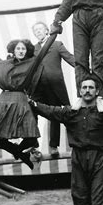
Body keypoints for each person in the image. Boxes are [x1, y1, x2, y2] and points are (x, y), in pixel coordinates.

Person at [0, 29, 59, 169]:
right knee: (0, 141)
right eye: (18, 48)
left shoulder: (31, 63)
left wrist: (54, 34)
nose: (20, 51)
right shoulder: (3, 64)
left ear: (27, 51)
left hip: (20, 99)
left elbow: (44, 50)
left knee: (31, 138)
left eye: (23, 49)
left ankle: (20, 152)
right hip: (4, 100)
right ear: (13, 51)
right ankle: (20, 153)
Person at [31, 21, 75, 158]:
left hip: (55, 86)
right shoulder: (32, 49)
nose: (38, 32)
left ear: (46, 31)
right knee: (31, 111)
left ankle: (55, 146)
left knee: (62, 114)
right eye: (35, 30)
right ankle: (32, 146)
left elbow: (71, 59)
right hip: (38, 87)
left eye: (40, 29)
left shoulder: (57, 45)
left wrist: (86, 69)